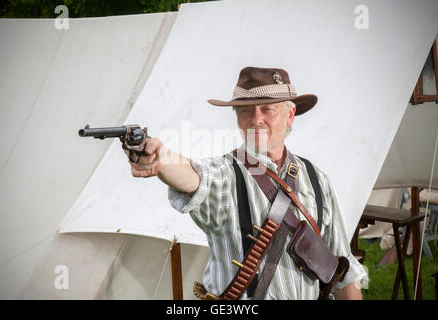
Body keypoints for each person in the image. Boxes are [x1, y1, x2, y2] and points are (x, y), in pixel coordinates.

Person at [124, 67, 368, 300]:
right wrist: (161, 158)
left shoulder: (317, 179)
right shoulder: (227, 172)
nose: (255, 119)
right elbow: (195, 177)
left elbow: (341, 272)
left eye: (267, 109)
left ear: (290, 114)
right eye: (245, 111)